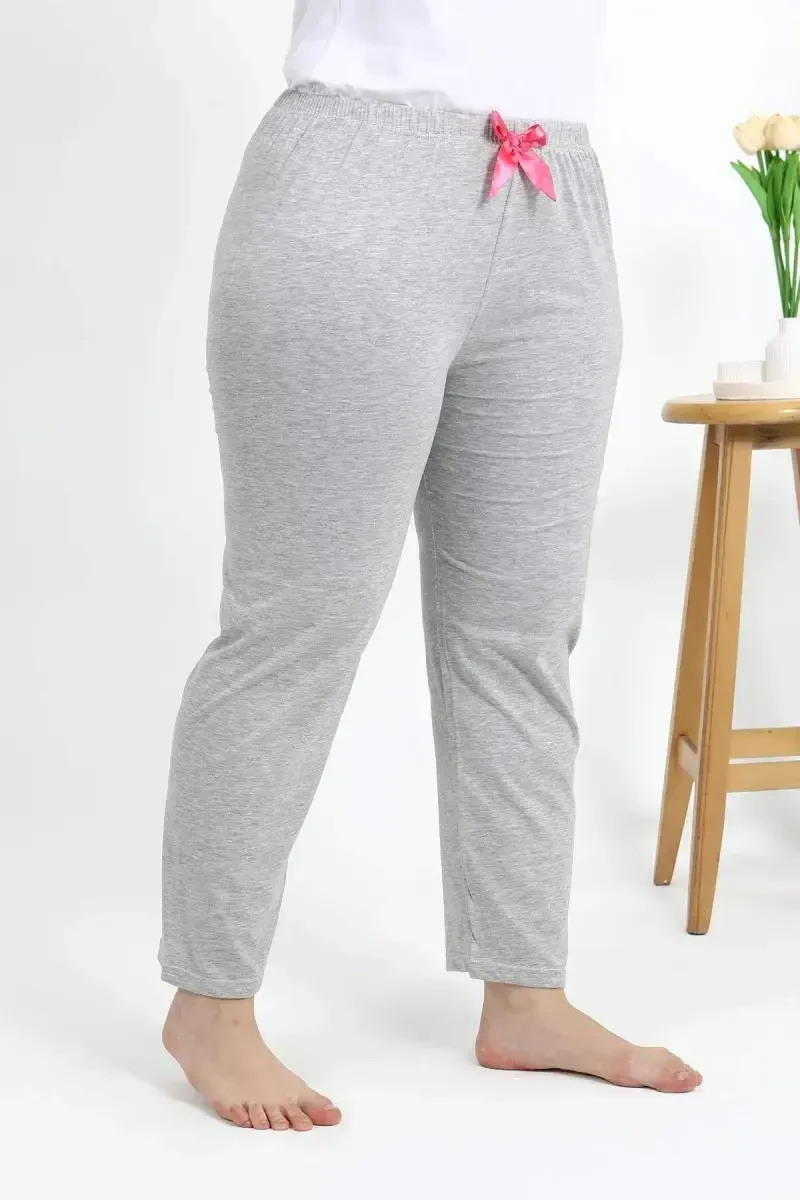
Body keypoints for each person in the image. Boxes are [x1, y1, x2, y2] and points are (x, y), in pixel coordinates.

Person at [158, 0, 703, 1131]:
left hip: (553, 185)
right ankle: (209, 1002)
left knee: (522, 631)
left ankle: (525, 992)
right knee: (297, 622)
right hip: (355, 179)